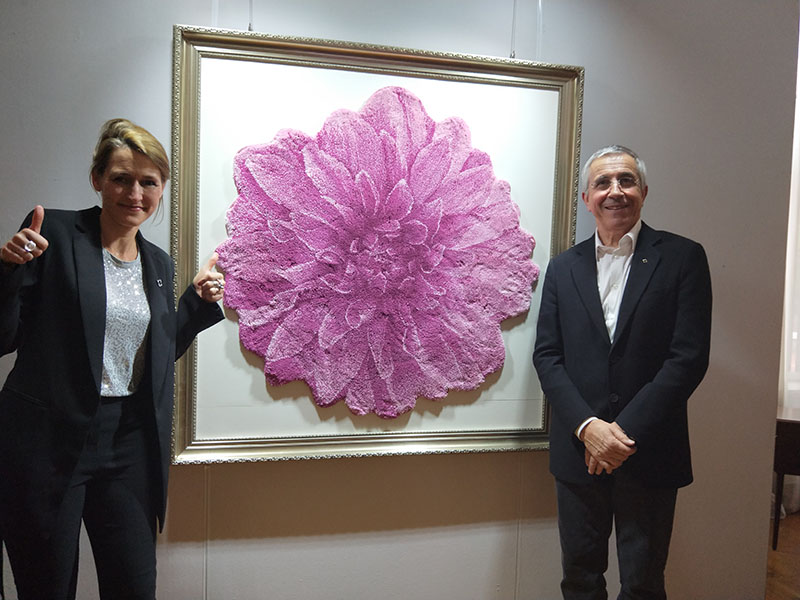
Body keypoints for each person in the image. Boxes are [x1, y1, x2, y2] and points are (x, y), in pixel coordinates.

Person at [0, 118, 226, 599]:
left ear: (162, 188)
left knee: (134, 587)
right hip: (47, 442)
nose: (135, 193)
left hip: (127, 442)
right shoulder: (53, 233)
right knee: (46, 588)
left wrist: (195, 304)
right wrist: (8, 272)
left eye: (149, 181)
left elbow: (150, 358)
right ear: (97, 179)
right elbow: (5, 337)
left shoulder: (158, 263)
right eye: (122, 178)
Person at [533, 145, 712, 599]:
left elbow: (687, 358)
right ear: (586, 199)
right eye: (603, 183)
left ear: (644, 191)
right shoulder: (562, 268)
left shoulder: (683, 258)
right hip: (579, 451)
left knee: (643, 585)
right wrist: (589, 428)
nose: (616, 191)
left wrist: (620, 434)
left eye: (626, 180)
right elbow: (548, 357)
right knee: (580, 580)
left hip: (649, 450)